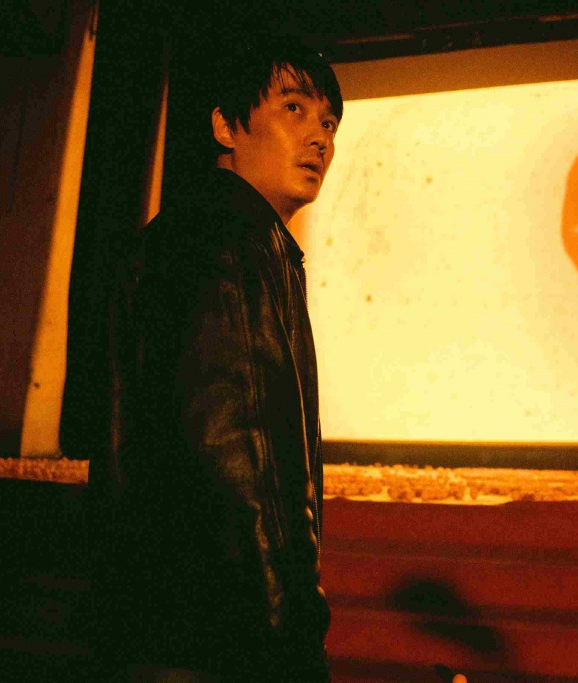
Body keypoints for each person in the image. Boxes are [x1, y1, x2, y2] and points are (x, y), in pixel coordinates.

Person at [87, 37, 342, 683]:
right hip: (226, 641)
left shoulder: (205, 235)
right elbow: (239, 458)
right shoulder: (226, 243)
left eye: (328, 122)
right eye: (293, 108)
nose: (319, 137)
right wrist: (289, 633)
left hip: (176, 628)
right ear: (226, 126)